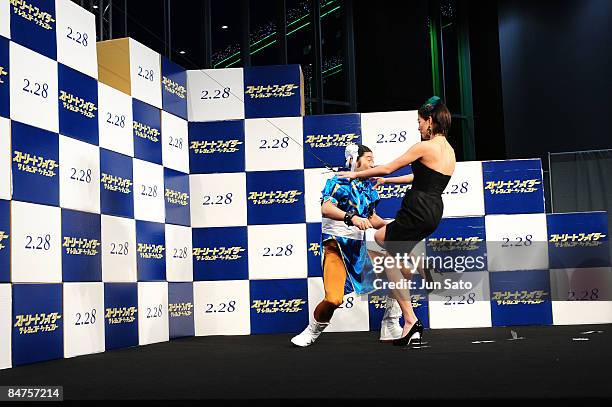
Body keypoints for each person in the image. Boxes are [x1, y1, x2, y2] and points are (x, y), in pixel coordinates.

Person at [338, 96, 456, 346]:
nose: (418, 127)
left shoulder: (424, 146)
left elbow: (386, 168)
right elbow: (420, 179)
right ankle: (424, 269)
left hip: (417, 207)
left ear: (430, 121)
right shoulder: (449, 151)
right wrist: (387, 182)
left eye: (420, 122)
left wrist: (355, 174)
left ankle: (410, 318)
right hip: (434, 210)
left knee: (383, 246)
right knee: (389, 244)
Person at [291, 144, 404, 347]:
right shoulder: (338, 181)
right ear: (354, 159)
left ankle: (390, 322)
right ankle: (313, 330)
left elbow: (371, 218)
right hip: (336, 248)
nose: (373, 163)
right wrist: (351, 218)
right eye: (369, 158)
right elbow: (326, 208)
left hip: (358, 251)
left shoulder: (368, 186)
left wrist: (392, 224)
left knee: (401, 268)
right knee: (334, 299)